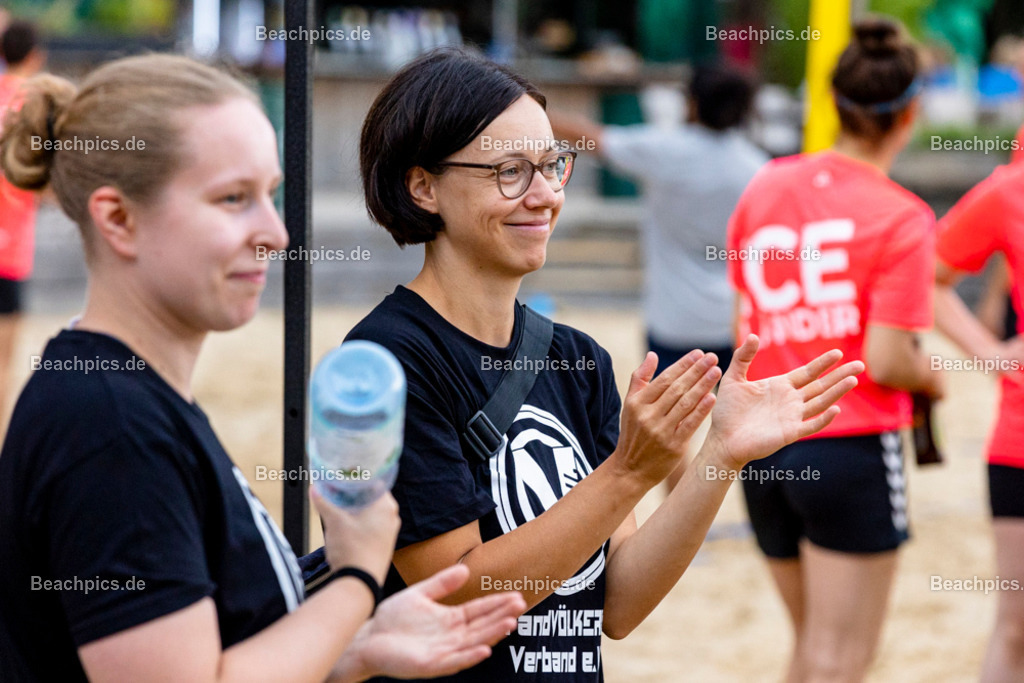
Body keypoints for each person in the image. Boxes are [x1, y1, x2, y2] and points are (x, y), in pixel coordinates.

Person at [0, 54, 526, 682]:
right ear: (118, 219)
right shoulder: (110, 425)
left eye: (270, 196)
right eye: (232, 199)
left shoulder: (126, 400)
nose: (275, 232)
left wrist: (353, 650)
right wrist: (356, 577)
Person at [346, 47, 862, 682]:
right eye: (509, 171)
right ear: (422, 186)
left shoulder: (575, 358)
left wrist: (719, 457)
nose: (542, 196)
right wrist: (626, 474)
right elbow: (455, 596)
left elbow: (617, 601)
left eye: (551, 166)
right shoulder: (386, 362)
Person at [726, 17, 944, 682]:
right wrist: (933, 379)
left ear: (835, 101)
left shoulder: (766, 182)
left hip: (762, 437)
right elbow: (886, 360)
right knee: (842, 659)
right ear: (911, 112)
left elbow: (745, 310)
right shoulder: (902, 214)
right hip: (849, 440)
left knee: (811, 648)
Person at [549, 61, 768, 491]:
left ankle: (680, 524)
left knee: (671, 433)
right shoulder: (757, 168)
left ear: (691, 103)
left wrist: (524, 109)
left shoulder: (665, 151)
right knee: (745, 427)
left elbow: (590, 136)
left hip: (673, 320)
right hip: (736, 322)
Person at [932, 154, 1024, 682]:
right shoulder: (1010, 187)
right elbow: (929, 275)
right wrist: (989, 353)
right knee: (1016, 627)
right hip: (1018, 442)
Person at [0, 19, 45, 419]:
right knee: (3, 364)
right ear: (36, 56)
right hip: (10, 249)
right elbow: (43, 183)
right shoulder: (32, 104)